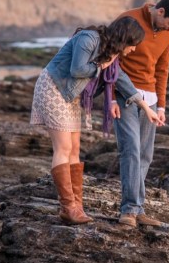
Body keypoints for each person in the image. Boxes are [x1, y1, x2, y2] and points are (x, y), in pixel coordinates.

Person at [30, 16, 161, 224]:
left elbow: (122, 80)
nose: (134, 50)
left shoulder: (110, 55)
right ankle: (69, 207)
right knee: (63, 148)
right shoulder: (89, 38)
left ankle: (75, 207)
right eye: (133, 44)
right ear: (124, 38)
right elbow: (78, 69)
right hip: (53, 88)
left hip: (70, 95)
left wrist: (146, 107)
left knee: (74, 149)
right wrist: (102, 66)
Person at [112, 0, 169, 228]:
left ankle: (138, 209)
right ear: (160, 11)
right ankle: (129, 210)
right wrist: (109, 98)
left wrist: (162, 105)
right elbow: (110, 60)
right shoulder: (128, 19)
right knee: (131, 150)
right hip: (123, 94)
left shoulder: (168, 33)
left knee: (145, 154)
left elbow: (162, 69)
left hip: (151, 99)